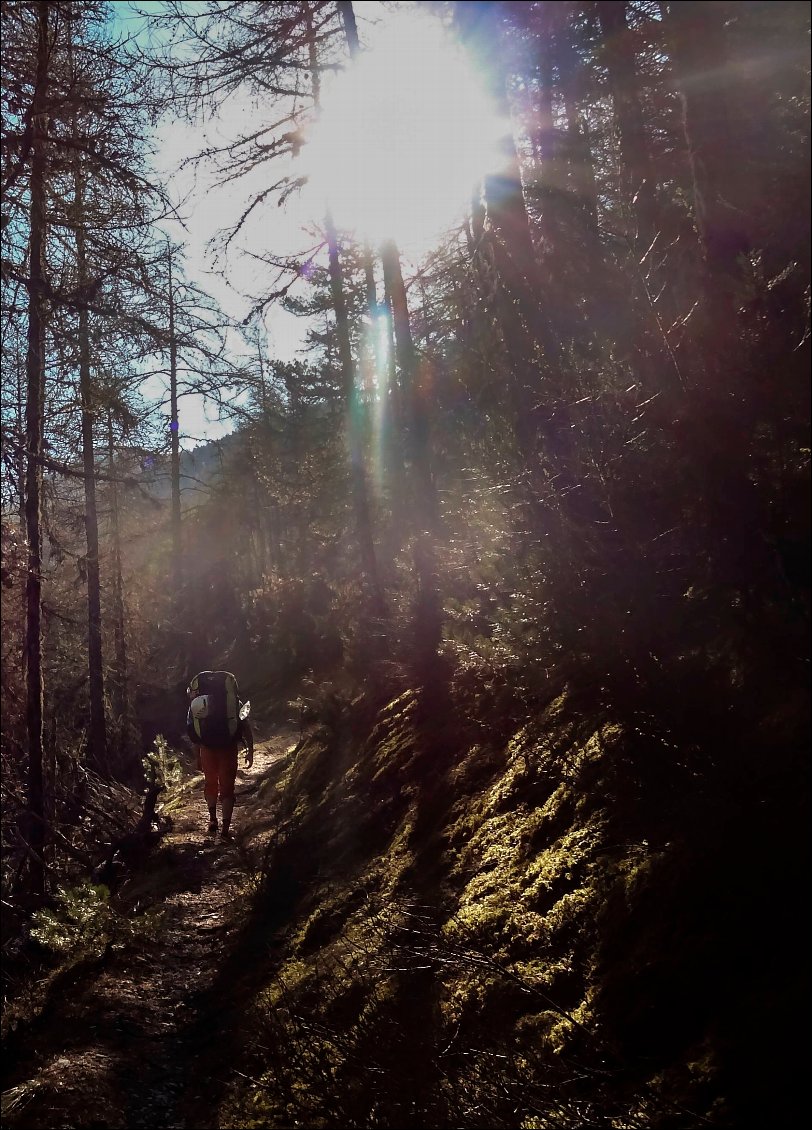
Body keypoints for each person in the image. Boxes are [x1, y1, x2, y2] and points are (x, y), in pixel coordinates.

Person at [188, 685, 254, 839]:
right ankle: (225, 828)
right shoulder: (234, 703)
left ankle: (212, 820)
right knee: (227, 788)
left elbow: (195, 732)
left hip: (207, 749)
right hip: (228, 749)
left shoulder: (198, 703)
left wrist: (197, 756)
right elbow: (246, 726)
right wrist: (250, 750)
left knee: (210, 783)